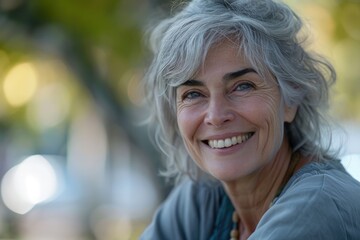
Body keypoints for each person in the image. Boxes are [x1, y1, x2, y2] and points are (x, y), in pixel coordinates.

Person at [140, 0, 360, 239]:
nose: (215, 116)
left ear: (290, 99)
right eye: (193, 94)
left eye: (243, 86)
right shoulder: (204, 198)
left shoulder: (319, 205)